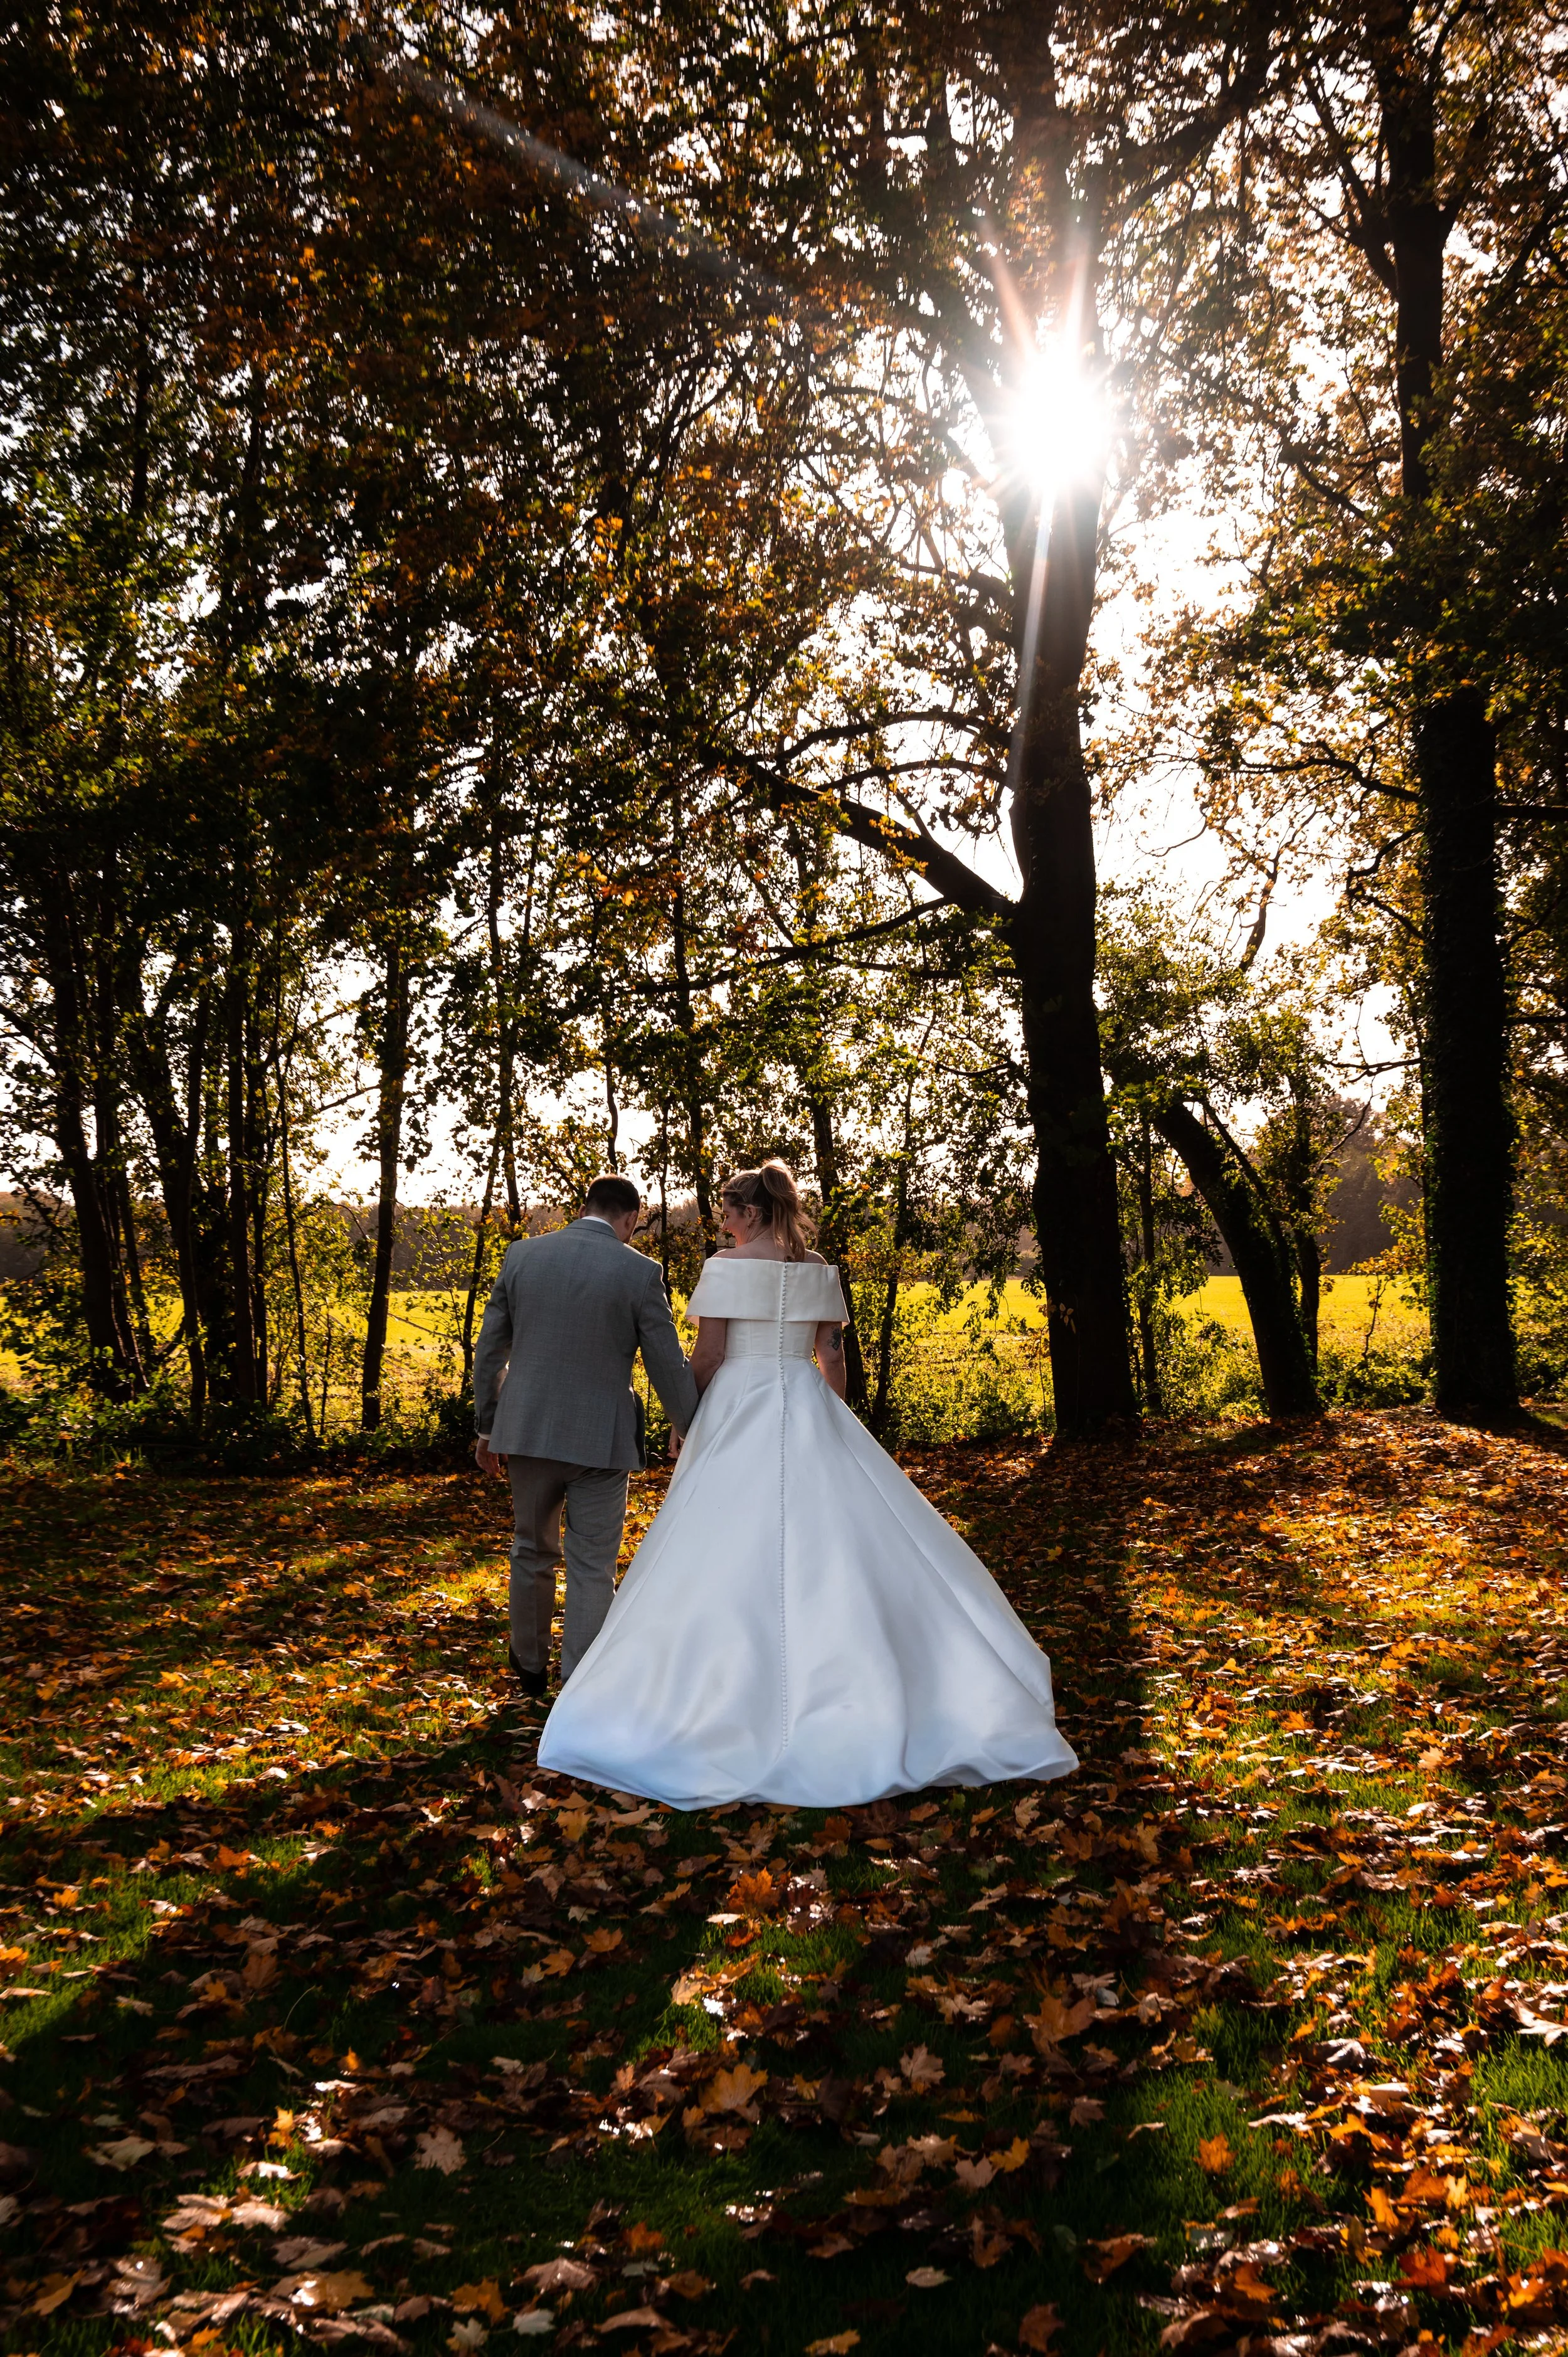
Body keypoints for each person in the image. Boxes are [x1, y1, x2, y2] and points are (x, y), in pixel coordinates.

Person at [538, 1158, 1076, 1808]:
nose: (724, 1224)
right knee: (835, 1541)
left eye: (729, 1213)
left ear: (752, 1213)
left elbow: (707, 1356)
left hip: (739, 1404)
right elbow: (831, 1355)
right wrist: (832, 1415)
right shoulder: (818, 1266)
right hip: (803, 1398)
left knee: (721, 1540)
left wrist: (691, 1420)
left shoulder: (727, 1268)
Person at [473, 1175, 698, 1695]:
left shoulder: (522, 1256)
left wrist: (489, 1427)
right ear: (631, 1218)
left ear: (584, 1207)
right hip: (602, 1439)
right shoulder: (640, 1272)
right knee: (592, 1562)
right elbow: (665, 1361)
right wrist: (689, 1425)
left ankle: (529, 1667)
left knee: (532, 1549)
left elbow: (490, 1352)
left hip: (526, 1432)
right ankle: (581, 1682)